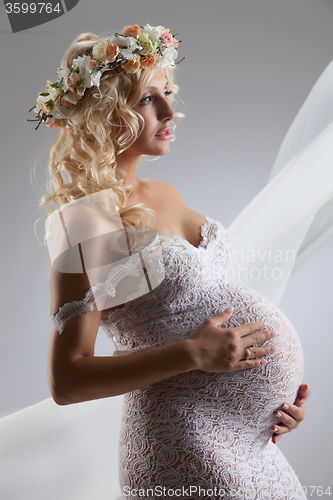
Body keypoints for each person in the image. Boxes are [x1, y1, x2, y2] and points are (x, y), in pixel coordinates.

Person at [33, 25, 310, 499]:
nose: (169, 110)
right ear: (103, 114)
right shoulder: (82, 220)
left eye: (167, 92)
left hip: (251, 442)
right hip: (184, 444)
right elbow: (67, 379)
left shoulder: (164, 193)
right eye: (145, 99)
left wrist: (268, 405)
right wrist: (192, 354)